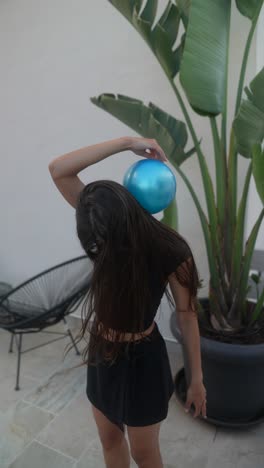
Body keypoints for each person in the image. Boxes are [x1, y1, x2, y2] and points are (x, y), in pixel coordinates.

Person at [49, 136, 207, 468]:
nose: (96, 245)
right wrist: (127, 143)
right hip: (101, 351)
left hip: (143, 361)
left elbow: (188, 315)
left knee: (144, 453)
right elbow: (59, 170)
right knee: (109, 439)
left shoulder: (172, 251)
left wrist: (196, 380)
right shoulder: (103, 220)